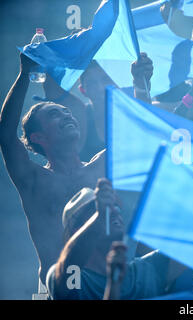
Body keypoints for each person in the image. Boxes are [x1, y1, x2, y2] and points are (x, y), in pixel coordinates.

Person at [0, 54, 106, 288]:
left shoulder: (100, 166)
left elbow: (138, 132)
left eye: (66, 112)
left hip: (106, 283)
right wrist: (24, 75)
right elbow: (5, 136)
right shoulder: (34, 180)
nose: (67, 115)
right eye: (54, 114)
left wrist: (140, 83)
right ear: (39, 137)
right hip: (63, 285)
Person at [47, 178, 188, 300]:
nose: (113, 211)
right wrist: (100, 219)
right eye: (96, 210)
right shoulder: (77, 281)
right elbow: (70, 264)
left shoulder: (147, 271)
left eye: (115, 207)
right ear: (78, 231)